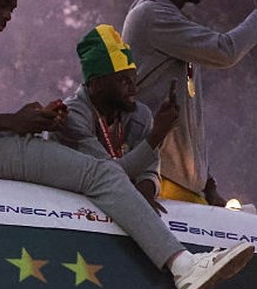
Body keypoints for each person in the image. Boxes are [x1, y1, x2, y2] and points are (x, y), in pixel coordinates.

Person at [0, 0, 254, 289]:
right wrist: (13, 122)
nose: (7, 16)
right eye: (2, 4)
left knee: (84, 170)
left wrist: (32, 120)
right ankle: (184, 267)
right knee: (101, 173)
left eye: (12, 9)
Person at [121, 0, 257, 205]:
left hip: (176, 181)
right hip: (158, 180)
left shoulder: (167, 17)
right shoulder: (152, 15)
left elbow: (187, 116)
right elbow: (225, 50)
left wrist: (207, 183)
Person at [54, 24, 179, 213]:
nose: (134, 89)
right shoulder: (72, 116)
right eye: (124, 81)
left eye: (133, 79)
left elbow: (149, 171)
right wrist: (156, 135)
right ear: (97, 84)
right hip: (69, 208)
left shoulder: (140, 114)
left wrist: (144, 195)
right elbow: (106, 174)